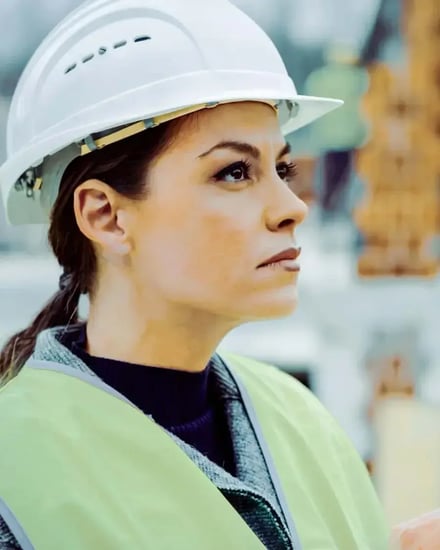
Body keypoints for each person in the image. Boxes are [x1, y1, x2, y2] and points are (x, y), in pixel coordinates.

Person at [0, 1, 389, 548]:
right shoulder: (14, 468)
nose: (292, 207)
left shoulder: (298, 416)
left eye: (282, 168)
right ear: (105, 216)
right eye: (234, 172)